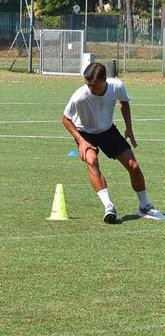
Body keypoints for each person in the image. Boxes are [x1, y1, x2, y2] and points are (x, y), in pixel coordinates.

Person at [62, 62, 164, 223]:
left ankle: (145, 207)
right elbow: (66, 119)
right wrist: (81, 141)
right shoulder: (79, 95)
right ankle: (109, 207)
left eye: (93, 84)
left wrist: (129, 128)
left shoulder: (117, 86)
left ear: (104, 80)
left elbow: (124, 103)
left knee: (134, 167)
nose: (89, 87)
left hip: (108, 131)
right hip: (85, 133)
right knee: (92, 161)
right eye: (87, 83)